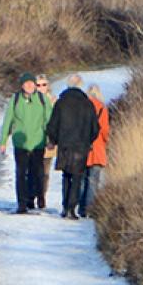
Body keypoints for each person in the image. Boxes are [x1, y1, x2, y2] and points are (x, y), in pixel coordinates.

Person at [46, 74, 100, 220]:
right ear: (81, 85)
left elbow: (53, 125)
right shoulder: (88, 104)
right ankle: (71, 208)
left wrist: (54, 140)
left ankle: (65, 206)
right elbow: (95, 128)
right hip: (81, 146)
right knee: (77, 176)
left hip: (65, 145)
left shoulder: (61, 103)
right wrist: (88, 141)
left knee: (66, 176)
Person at [0, 73, 51, 214]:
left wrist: (50, 139)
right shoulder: (15, 99)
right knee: (21, 173)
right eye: (26, 83)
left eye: (32, 83)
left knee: (37, 173)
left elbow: (48, 120)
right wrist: (3, 140)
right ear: (22, 85)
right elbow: (8, 120)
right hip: (20, 143)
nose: (30, 86)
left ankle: (35, 197)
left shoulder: (42, 99)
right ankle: (21, 203)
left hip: (38, 142)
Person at [81, 84, 110, 217]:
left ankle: (81, 207)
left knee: (82, 180)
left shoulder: (81, 108)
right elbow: (104, 131)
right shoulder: (102, 109)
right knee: (93, 181)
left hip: (83, 148)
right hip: (97, 149)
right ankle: (90, 209)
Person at [32, 74, 54, 209]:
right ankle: (31, 195)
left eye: (44, 84)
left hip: (48, 142)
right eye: (38, 85)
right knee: (33, 170)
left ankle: (41, 196)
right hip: (33, 141)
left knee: (45, 172)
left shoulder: (53, 101)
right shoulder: (30, 100)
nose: (41, 87)